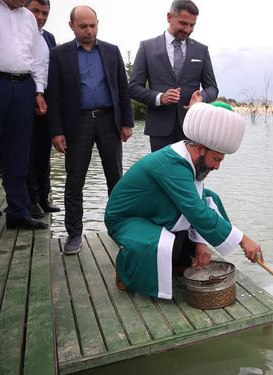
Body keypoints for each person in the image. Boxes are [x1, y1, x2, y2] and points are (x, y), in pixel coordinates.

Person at [105, 102, 262, 299]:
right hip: (126, 219)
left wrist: (200, 243)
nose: (217, 167)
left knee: (211, 198)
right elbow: (195, 210)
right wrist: (242, 239)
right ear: (201, 148)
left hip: (152, 210)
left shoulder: (188, 157)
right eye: (217, 159)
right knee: (158, 245)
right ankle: (127, 270)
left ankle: (178, 258)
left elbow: (199, 200)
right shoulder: (171, 163)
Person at [47, 6, 134, 254]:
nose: (89, 31)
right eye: (83, 26)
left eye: (93, 25)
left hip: (109, 120)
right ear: (71, 25)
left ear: (98, 23)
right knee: (75, 182)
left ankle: (121, 229)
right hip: (78, 122)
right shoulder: (59, 55)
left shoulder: (111, 51)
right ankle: (74, 234)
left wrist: (126, 122)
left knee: (116, 180)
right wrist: (56, 131)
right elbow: (54, 96)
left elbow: (122, 89)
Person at [0, 0, 49, 248]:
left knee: (19, 153)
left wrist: (38, 91)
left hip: (24, 86)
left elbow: (35, 57)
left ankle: (18, 212)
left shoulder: (28, 17)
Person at [129, 0, 218, 152]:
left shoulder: (201, 50)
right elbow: (133, 88)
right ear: (169, 17)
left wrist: (201, 98)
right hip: (159, 128)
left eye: (192, 25)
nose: (188, 29)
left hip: (193, 128)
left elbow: (212, 88)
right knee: (161, 174)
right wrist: (160, 98)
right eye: (183, 23)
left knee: (190, 175)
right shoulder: (147, 47)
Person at [26, 0, 60, 219]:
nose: (40, 17)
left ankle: (42, 196)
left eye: (44, 13)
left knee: (43, 150)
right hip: (24, 93)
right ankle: (29, 200)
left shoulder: (49, 37)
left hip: (46, 97)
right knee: (26, 151)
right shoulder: (18, 35)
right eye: (35, 11)